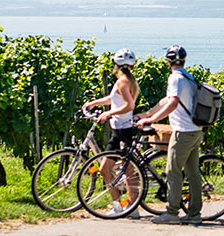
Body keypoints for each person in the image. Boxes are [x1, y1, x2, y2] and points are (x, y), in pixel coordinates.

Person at [135, 45, 203, 224]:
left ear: (168, 62)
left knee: (172, 172)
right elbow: (165, 101)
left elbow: (172, 103)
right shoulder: (188, 77)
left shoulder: (175, 78)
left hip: (182, 132)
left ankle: (172, 213)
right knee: (193, 173)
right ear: (184, 61)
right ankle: (194, 214)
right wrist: (148, 114)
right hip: (195, 131)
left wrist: (151, 121)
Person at [83, 48, 141, 219]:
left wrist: (109, 113)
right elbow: (113, 99)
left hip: (122, 130)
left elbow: (129, 106)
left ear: (116, 65)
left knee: (108, 169)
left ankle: (122, 206)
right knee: (127, 168)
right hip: (122, 129)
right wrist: (95, 103)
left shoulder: (123, 82)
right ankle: (129, 206)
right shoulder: (125, 81)